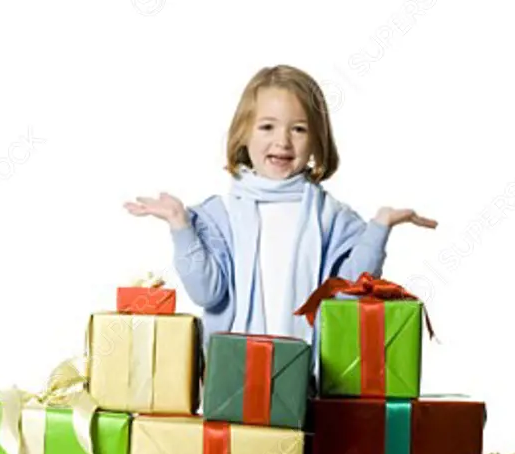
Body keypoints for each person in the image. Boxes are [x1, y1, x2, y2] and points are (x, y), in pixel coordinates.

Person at [125, 64, 436, 347]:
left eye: (298, 129)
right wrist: (181, 226)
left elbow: (348, 297)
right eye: (267, 127)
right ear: (243, 134)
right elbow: (207, 293)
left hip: (307, 380)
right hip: (235, 380)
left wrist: (379, 227)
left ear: (317, 140)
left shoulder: (333, 218)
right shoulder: (219, 217)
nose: (283, 141)